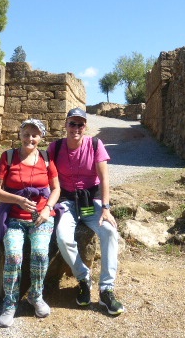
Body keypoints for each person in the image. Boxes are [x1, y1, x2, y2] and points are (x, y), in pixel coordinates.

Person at [47, 107, 124, 315]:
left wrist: (106, 209)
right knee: (63, 237)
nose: (76, 128)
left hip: (91, 200)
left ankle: (107, 289)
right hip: (68, 202)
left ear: (85, 127)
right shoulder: (55, 148)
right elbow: (47, 179)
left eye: (80, 124)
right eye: (72, 123)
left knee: (109, 231)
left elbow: (105, 178)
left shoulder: (95, 144)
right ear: (65, 125)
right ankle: (83, 277)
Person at [0, 118, 60, 328]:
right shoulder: (8, 157)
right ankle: (10, 302)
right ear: (20, 134)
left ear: (41, 137)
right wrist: (19, 200)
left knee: (39, 253)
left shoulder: (47, 158)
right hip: (14, 218)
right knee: (13, 255)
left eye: (35, 134)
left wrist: (47, 209)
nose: (30, 138)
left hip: (41, 218)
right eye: (26, 133)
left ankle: (35, 296)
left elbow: (56, 188)